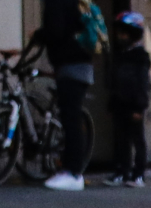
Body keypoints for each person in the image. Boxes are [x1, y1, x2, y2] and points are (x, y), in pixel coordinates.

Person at [32, 0, 104, 189]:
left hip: (71, 66)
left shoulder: (57, 3)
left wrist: (38, 35)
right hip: (80, 66)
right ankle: (70, 170)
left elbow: (55, 32)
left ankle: (73, 172)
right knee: (70, 118)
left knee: (70, 120)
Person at [104, 11, 150, 186]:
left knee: (137, 139)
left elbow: (142, 83)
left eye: (123, 33)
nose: (120, 37)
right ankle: (121, 171)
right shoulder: (120, 55)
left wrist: (139, 107)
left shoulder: (140, 57)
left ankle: (138, 173)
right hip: (119, 104)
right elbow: (114, 82)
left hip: (133, 105)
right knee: (121, 140)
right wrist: (112, 103)